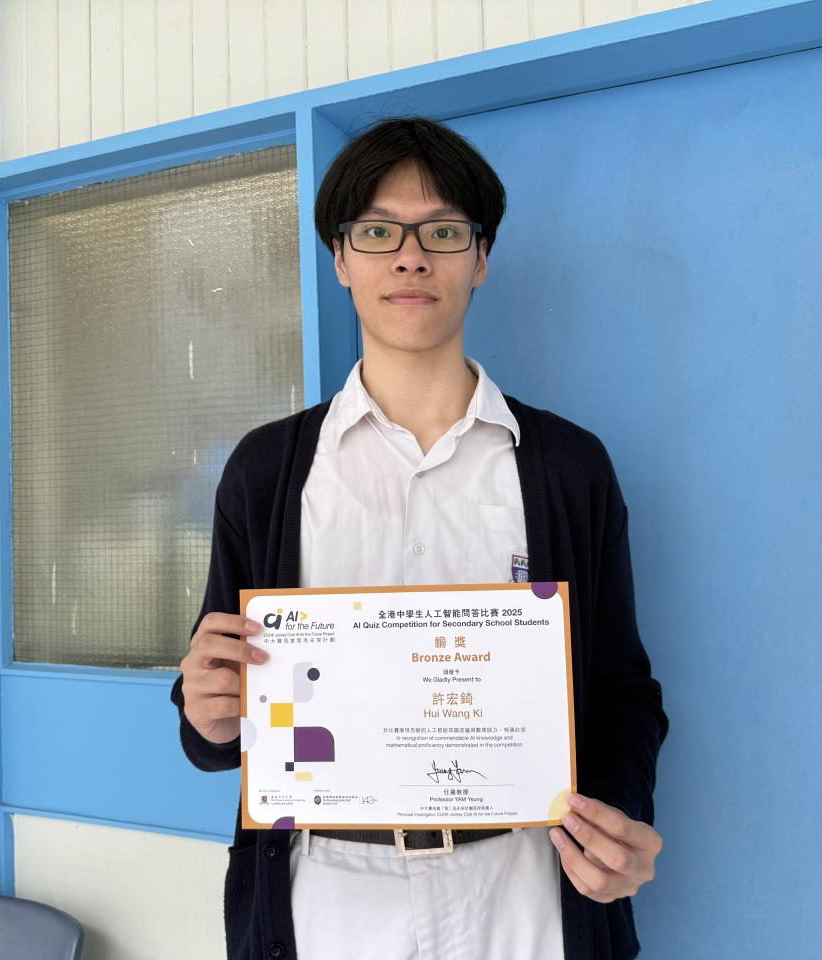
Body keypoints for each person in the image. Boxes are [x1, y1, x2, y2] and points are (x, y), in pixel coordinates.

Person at [170, 116, 669, 960]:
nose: (410, 258)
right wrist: (207, 713)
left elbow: (622, 690)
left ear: (481, 257)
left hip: (525, 902)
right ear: (340, 259)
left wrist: (622, 815)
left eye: (442, 232)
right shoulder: (267, 471)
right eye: (377, 232)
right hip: (325, 908)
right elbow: (215, 707)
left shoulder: (568, 467)